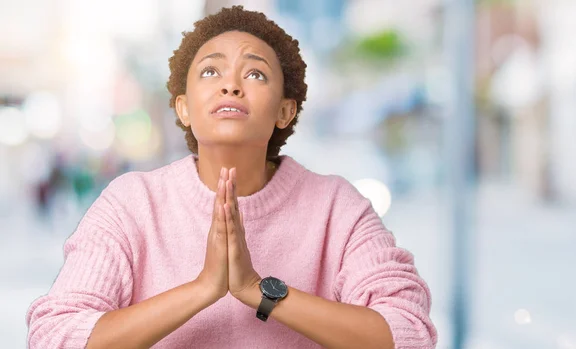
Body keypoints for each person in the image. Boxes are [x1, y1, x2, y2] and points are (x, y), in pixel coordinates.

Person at [26, 6, 437, 349]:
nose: (231, 86)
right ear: (184, 108)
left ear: (284, 111)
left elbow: (409, 332)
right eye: (210, 72)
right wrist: (203, 288)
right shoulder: (131, 204)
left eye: (255, 74)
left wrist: (259, 290)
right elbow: (53, 335)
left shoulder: (337, 208)